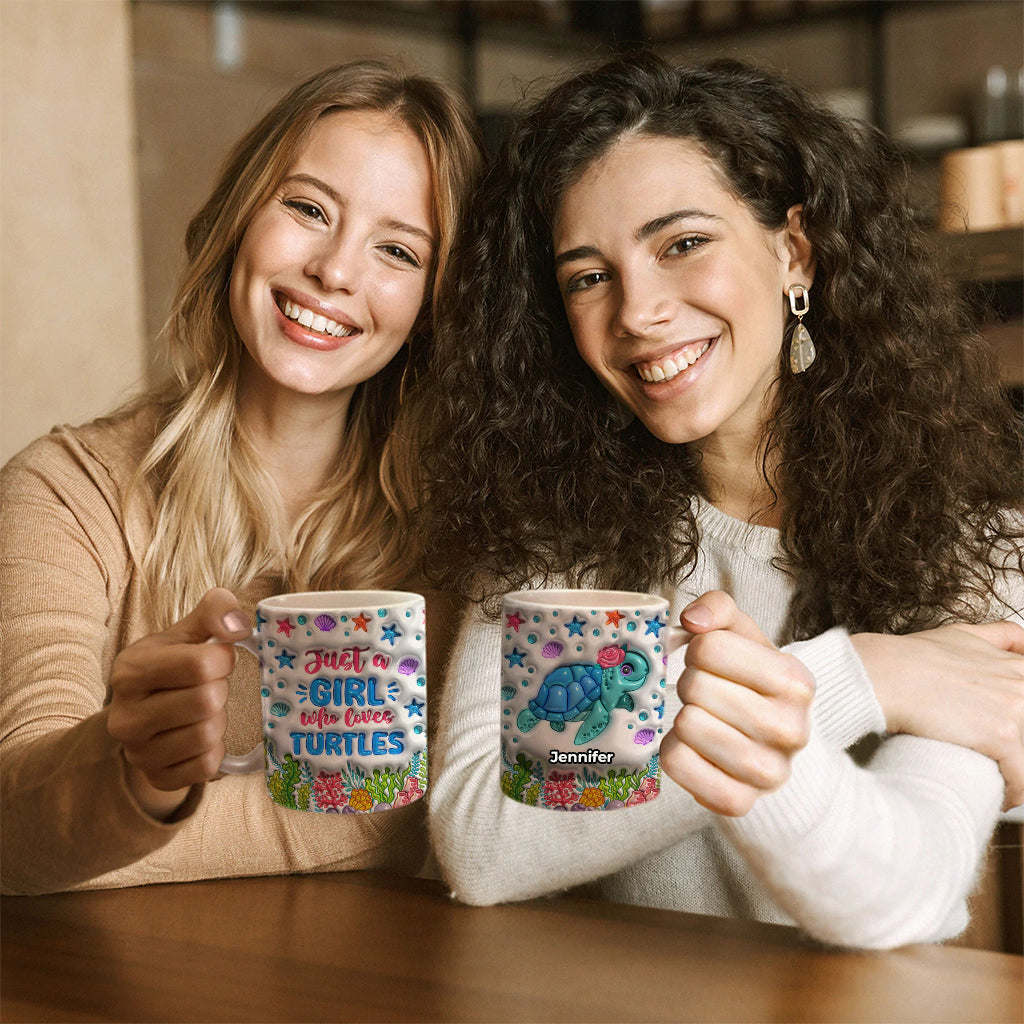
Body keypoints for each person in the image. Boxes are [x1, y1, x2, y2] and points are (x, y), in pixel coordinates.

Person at [414, 53, 1024, 949]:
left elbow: (900, 892)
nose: (637, 311)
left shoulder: (977, 545)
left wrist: (754, 701)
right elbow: (483, 841)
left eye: (682, 244)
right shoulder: (552, 542)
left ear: (794, 252)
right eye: (588, 276)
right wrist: (857, 677)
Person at [0, 60, 481, 895]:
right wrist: (137, 776)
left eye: (397, 250)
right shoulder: (65, 492)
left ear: (434, 303)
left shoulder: (459, 533)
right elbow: (15, 823)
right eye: (307, 208)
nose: (335, 270)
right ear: (237, 220)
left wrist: (116, 834)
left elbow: (411, 806)